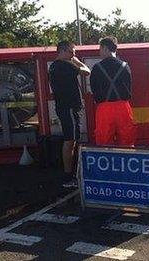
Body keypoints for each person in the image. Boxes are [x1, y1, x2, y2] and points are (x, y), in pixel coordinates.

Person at [49, 41, 91, 188]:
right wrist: (77, 61)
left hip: (65, 108)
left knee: (71, 140)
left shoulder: (54, 66)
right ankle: (68, 176)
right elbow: (86, 71)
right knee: (70, 141)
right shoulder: (64, 65)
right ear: (63, 51)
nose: (74, 54)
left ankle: (71, 173)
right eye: (72, 52)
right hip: (69, 108)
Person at [90, 36, 135, 146]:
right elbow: (129, 86)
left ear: (105, 48)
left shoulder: (97, 67)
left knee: (103, 141)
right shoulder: (125, 66)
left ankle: (106, 162)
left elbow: (94, 89)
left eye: (100, 49)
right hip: (123, 107)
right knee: (127, 140)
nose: (99, 52)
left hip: (104, 108)